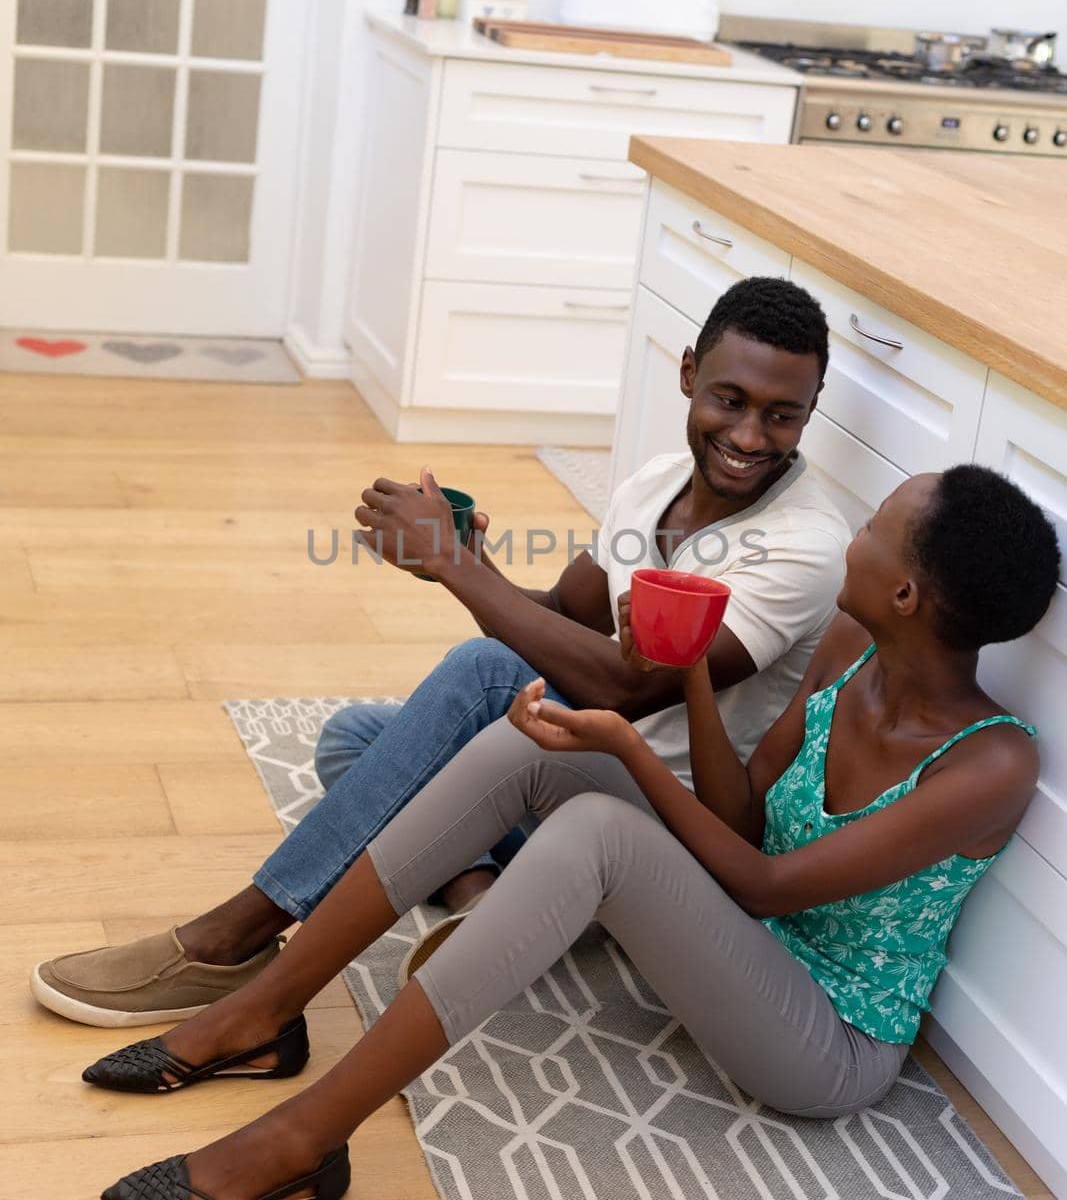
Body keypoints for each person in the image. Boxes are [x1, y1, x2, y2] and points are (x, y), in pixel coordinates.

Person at [86, 463, 1058, 1200]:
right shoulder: (853, 651)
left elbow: (763, 884)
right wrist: (678, 674)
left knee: (599, 821)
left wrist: (630, 747)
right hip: (748, 933)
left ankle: (304, 1139)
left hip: (826, 1038)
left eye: (875, 529)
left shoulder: (989, 764)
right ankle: (264, 1009)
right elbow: (744, 816)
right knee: (528, 742)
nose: (854, 533)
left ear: (906, 595)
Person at [33, 278, 852, 1027]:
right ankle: (485, 894)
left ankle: (238, 936)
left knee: (480, 674)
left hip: (669, 819)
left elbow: (629, 686)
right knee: (355, 734)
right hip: (575, 768)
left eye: (781, 414)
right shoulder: (656, 483)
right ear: (685, 376)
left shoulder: (803, 545)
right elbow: (567, 613)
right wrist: (461, 561)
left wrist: (462, 573)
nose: (749, 434)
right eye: (729, 400)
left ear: (809, 412)